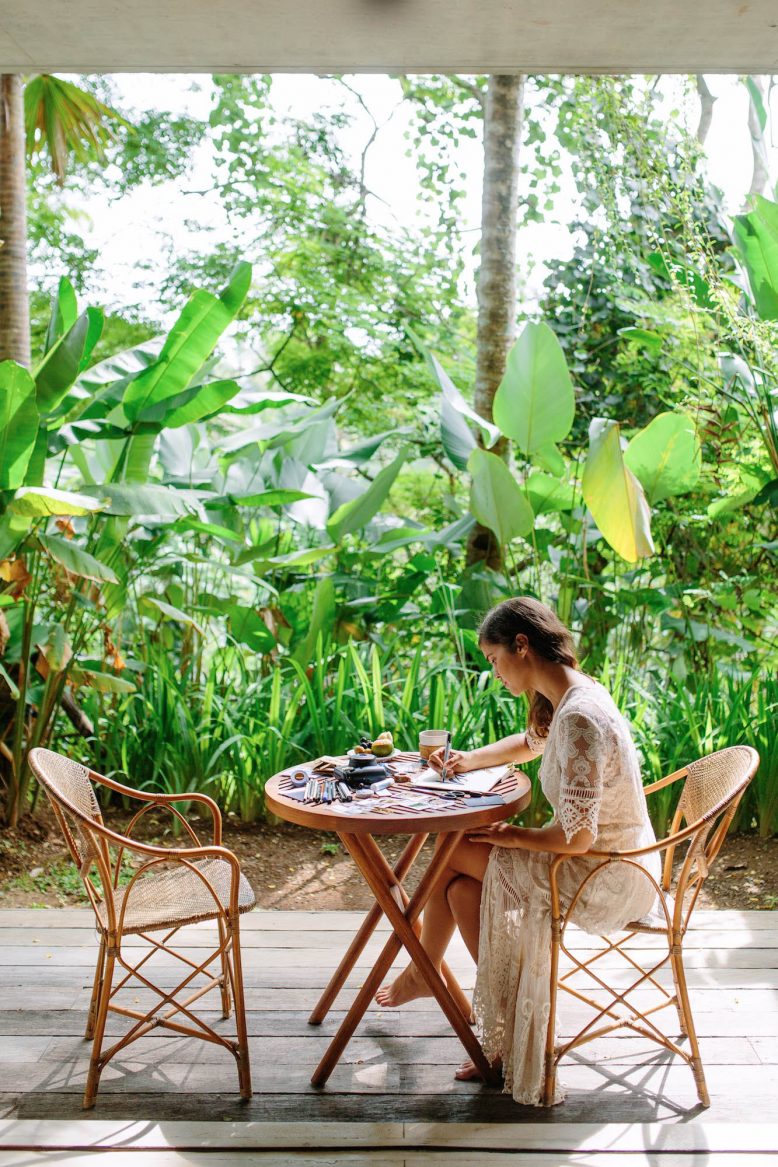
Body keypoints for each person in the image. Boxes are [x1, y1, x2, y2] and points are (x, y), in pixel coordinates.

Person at [375, 596, 659, 1106]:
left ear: (521, 646)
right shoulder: (570, 695)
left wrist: (514, 837)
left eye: (493, 659)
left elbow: (577, 839)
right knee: (460, 891)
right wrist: (466, 762)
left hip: (605, 873)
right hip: (608, 857)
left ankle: (425, 969)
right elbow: (530, 744)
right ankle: (497, 1029)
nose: (494, 672)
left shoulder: (579, 717)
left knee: (451, 847)